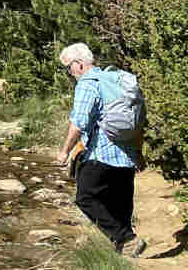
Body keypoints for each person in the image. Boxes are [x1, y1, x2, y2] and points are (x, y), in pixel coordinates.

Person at [58, 43, 146, 257]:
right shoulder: (118, 78)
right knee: (119, 205)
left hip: (102, 154)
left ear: (78, 65)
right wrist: (139, 153)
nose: (69, 74)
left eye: (68, 68)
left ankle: (127, 239)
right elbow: (137, 119)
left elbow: (79, 122)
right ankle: (124, 253)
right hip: (126, 157)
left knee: (85, 197)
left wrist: (64, 150)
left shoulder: (88, 84)